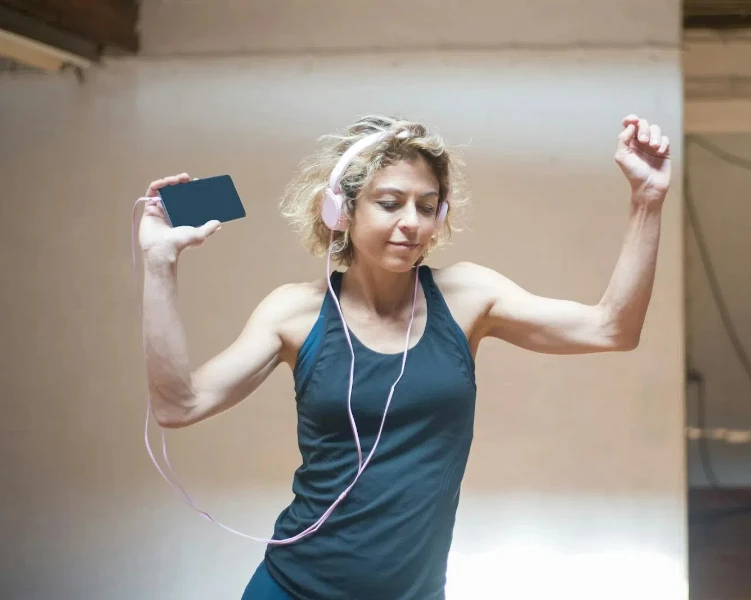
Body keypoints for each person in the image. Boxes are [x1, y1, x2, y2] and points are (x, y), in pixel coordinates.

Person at [137, 113, 671, 600]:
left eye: (427, 204)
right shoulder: (294, 313)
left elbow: (612, 328)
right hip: (292, 588)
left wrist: (647, 199)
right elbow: (178, 406)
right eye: (390, 203)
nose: (413, 222)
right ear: (340, 210)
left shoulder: (468, 297)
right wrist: (159, 264)